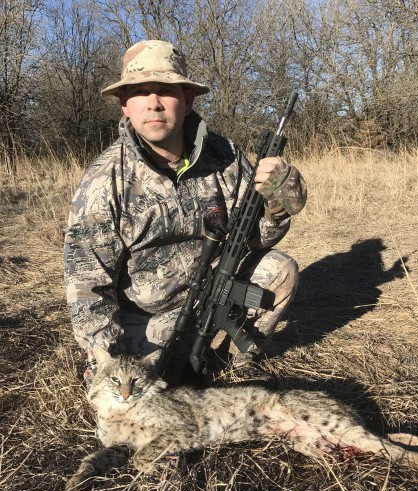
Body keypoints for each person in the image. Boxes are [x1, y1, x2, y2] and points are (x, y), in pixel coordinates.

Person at [64, 40, 307, 385]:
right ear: (124, 106)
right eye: (139, 92)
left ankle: (236, 363)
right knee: (140, 392)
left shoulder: (226, 156)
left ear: (188, 100)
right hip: (147, 317)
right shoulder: (105, 180)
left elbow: (252, 240)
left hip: (213, 292)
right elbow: (87, 288)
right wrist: (110, 365)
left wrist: (275, 208)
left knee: (280, 269)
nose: (154, 103)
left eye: (166, 90)